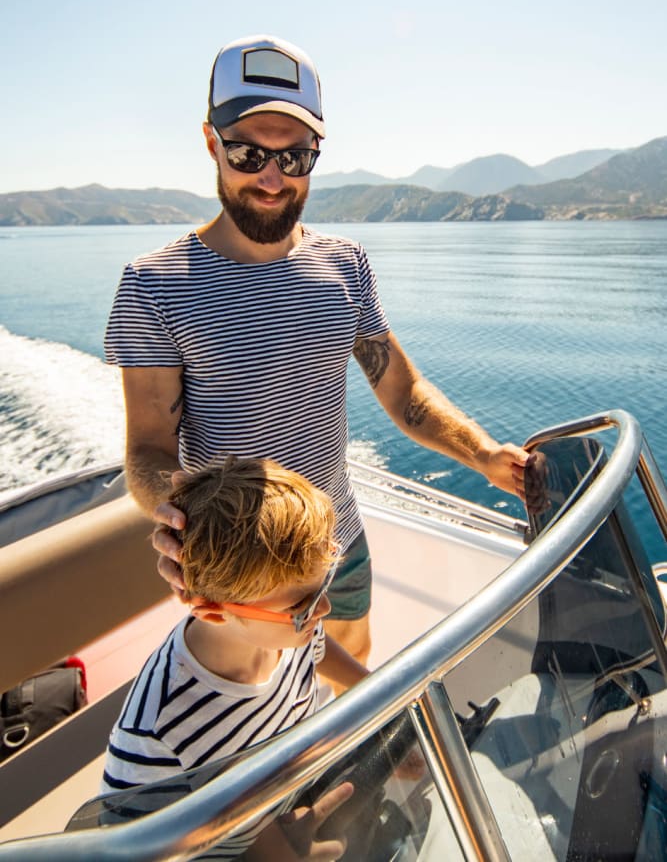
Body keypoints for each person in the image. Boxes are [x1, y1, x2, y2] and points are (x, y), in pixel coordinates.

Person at [105, 33, 531, 670]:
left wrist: (488, 455)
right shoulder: (155, 284)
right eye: (248, 153)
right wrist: (174, 511)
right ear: (210, 143)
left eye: (295, 157)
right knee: (255, 698)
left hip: (338, 535)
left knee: (353, 657)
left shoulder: (346, 265)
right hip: (240, 566)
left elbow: (404, 394)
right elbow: (147, 448)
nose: (273, 179)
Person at [101, 456, 365, 860]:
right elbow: (135, 851)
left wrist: (372, 686)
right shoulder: (158, 733)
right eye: (303, 604)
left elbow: (318, 651)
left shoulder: (289, 634)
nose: (325, 608)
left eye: (323, 584)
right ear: (212, 610)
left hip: (292, 794)